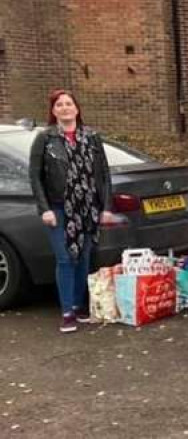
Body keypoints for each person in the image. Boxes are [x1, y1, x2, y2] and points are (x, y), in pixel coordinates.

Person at [29, 89, 114, 333]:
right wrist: (44, 209)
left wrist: (105, 207)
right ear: (53, 111)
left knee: (84, 258)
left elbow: (104, 174)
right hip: (59, 207)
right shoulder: (45, 139)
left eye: (69, 104)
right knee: (65, 259)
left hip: (87, 208)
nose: (65, 108)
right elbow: (35, 176)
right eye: (59, 105)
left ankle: (79, 305)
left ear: (77, 109)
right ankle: (67, 311)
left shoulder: (92, 137)